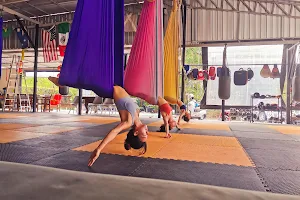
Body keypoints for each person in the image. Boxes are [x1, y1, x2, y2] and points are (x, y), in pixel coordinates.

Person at [48, 77, 148, 167]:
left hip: (107, 88)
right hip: (113, 83)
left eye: (144, 135)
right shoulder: (137, 114)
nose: (147, 132)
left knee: (87, 79)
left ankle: (62, 82)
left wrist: (99, 149)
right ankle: (63, 82)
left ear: (136, 132)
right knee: (86, 79)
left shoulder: (128, 121)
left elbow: (114, 132)